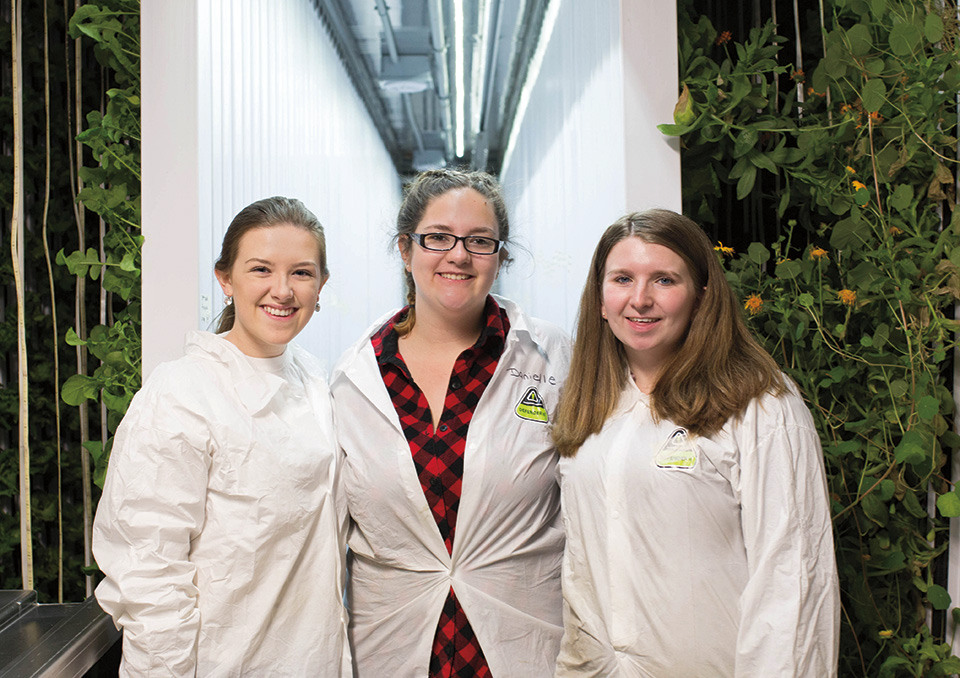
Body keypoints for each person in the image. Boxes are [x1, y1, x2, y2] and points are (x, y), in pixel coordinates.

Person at [552, 209, 840, 677]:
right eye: (622, 278)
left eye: (664, 280)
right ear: (600, 300)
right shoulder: (585, 405)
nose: (640, 300)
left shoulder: (761, 406)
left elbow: (793, 582)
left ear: (702, 297)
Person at [93, 197, 350, 676]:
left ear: (321, 285)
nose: (283, 290)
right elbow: (147, 570)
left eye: (301, 273)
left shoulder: (314, 381)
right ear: (225, 279)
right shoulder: (182, 392)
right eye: (260, 269)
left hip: (316, 658)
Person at [331, 169, 571, 677]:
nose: (458, 255)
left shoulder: (552, 358)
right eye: (438, 237)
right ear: (405, 249)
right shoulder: (355, 378)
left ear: (500, 256)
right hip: (392, 647)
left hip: (524, 644)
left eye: (480, 241)